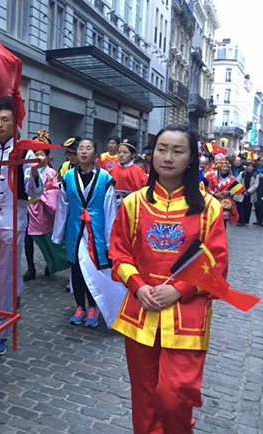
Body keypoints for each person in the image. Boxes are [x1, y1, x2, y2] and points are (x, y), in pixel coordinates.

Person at [109, 124, 228, 434]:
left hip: (187, 316)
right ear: (152, 155)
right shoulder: (134, 204)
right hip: (141, 312)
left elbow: (216, 264)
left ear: (190, 159)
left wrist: (178, 290)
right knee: (144, 398)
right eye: (162, 149)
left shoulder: (208, 208)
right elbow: (119, 253)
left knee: (174, 395)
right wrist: (138, 286)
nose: (168, 157)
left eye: (178, 151)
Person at [0, 102, 43, 356]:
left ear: (14, 123)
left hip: (11, 223)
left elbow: (35, 191)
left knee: (5, 276)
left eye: (4, 119)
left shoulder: (24, 153)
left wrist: (35, 173)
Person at [52, 139, 126, 329]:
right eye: (81, 149)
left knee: (93, 269)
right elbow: (62, 206)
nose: (84, 152)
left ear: (95, 154)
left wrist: (111, 241)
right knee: (76, 269)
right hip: (74, 230)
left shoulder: (104, 178)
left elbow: (110, 211)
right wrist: (57, 234)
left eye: (88, 148)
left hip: (96, 231)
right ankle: (79, 306)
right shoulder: (68, 177)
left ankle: (93, 306)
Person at [26, 130, 68, 279]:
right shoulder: (27, 170)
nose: (39, 157)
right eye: (36, 153)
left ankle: (50, 263)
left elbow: (54, 191)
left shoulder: (51, 172)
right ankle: (30, 268)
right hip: (28, 209)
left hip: (43, 210)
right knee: (28, 239)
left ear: (48, 156)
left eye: (42, 154)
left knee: (47, 241)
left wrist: (41, 196)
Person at [109, 138, 148, 207]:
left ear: (133, 155)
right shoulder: (111, 170)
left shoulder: (140, 173)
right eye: (119, 152)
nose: (121, 155)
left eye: (125, 152)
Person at [208, 159, 245, 226]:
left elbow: (237, 189)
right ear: (219, 167)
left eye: (226, 167)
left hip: (226, 202)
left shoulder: (232, 179)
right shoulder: (213, 177)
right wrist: (214, 193)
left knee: (223, 220)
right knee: (214, 219)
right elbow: (209, 188)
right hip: (215, 200)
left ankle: (222, 234)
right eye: (223, 167)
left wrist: (229, 193)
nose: (225, 168)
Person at [236, 162, 259, 226]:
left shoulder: (255, 175)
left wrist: (248, 191)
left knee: (248, 208)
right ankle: (240, 220)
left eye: (251, 166)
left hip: (250, 194)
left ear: (253, 168)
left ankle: (245, 221)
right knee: (240, 207)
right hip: (241, 192)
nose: (249, 168)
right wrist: (241, 189)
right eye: (249, 166)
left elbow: (255, 185)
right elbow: (238, 181)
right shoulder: (242, 173)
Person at [255, 156, 263, 225]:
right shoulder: (257, 169)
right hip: (257, 188)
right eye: (261, 160)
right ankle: (258, 219)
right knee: (257, 204)